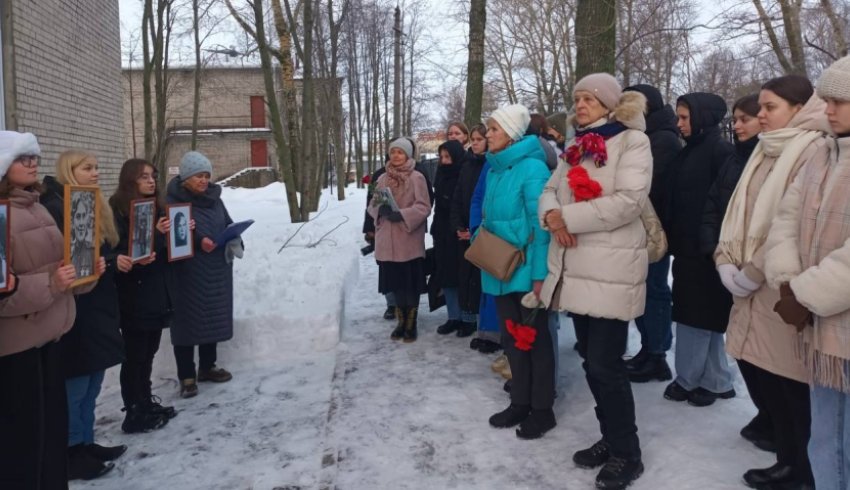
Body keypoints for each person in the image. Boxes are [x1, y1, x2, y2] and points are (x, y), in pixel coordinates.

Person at [539, 74, 650, 488]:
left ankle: (628, 453)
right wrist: (553, 217)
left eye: (589, 99)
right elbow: (551, 190)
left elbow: (629, 201)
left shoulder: (632, 142)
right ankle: (611, 437)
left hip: (611, 269)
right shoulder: (575, 146)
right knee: (592, 359)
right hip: (577, 267)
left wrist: (567, 217)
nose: (580, 105)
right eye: (577, 98)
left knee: (606, 365)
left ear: (609, 104)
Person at [716, 75, 827, 489]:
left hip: (781, 284)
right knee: (768, 379)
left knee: (791, 386)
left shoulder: (811, 149)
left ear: (799, 108)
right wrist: (725, 259)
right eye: (759, 107)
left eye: (769, 107)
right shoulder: (767, 148)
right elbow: (739, 210)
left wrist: (754, 270)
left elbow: (792, 223)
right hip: (747, 281)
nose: (760, 115)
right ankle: (788, 457)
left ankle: (801, 469)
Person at [764, 54, 850, 490]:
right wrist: (787, 280)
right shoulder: (822, 153)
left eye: (840, 101)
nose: (828, 109)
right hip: (819, 329)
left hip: (839, 323)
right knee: (825, 438)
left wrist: (804, 294)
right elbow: (785, 220)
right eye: (826, 100)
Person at [0, 131, 101, 489]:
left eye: (33, 157)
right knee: (23, 447)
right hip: (15, 351)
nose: (31, 163)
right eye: (21, 158)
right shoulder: (2, 216)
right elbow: (4, 291)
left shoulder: (39, 207)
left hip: (51, 340)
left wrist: (85, 274)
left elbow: (61, 269)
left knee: (51, 440)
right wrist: (53, 284)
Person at [41, 150, 128, 480]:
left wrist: (104, 263)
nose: (94, 173)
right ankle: (70, 450)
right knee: (75, 384)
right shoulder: (55, 206)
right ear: (69, 170)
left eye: (95, 168)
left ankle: (87, 442)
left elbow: (97, 250)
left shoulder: (89, 202)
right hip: (75, 308)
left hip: (98, 303)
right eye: (87, 168)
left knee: (92, 382)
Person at [700, 94, 772, 449]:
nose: (739, 125)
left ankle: (779, 422)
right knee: (742, 348)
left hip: (764, 272)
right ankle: (767, 413)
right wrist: (717, 251)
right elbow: (715, 206)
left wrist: (752, 266)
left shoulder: (777, 158)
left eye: (747, 119)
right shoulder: (735, 158)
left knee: (768, 354)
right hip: (730, 266)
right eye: (736, 119)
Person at [479, 104, 553, 440]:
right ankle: (520, 401)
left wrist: (540, 276)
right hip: (499, 266)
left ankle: (542, 409)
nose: (487, 134)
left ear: (511, 134)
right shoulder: (495, 169)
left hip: (525, 270)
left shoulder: (532, 168)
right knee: (511, 339)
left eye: (494, 129)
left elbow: (542, 228)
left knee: (533, 340)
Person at [664, 91, 737, 407]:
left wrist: (713, 245)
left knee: (701, 317)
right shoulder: (691, 150)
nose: (679, 124)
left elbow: (725, 204)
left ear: (703, 117)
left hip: (707, 250)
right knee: (695, 316)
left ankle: (694, 378)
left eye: (684, 117)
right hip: (687, 248)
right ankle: (714, 379)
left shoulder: (720, 152)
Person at [619, 84, 681, 383]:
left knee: (654, 291)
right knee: (644, 291)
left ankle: (656, 355)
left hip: (655, 231)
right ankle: (648, 349)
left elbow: (649, 186)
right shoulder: (650, 136)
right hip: (642, 228)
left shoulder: (662, 140)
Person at [110, 159, 177, 430]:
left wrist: (180, 233)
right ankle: (134, 410)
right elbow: (127, 248)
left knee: (149, 351)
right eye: (143, 177)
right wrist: (157, 236)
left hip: (156, 290)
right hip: (134, 293)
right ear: (130, 181)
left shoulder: (158, 207)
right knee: (135, 354)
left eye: (153, 176)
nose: (151, 181)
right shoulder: (118, 210)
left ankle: (146, 401)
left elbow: (161, 251)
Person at [167, 151, 236, 397]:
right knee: (187, 322)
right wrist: (198, 241)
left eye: (206, 175)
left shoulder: (215, 199)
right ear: (186, 177)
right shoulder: (173, 200)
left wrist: (234, 236)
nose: (204, 180)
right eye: (198, 175)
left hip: (216, 267)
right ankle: (187, 375)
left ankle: (208, 367)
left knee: (212, 317)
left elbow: (227, 222)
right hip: (187, 271)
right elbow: (174, 234)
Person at [368, 138, 431, 342]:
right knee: (395, 283)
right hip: (387, 239)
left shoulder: (417, 177)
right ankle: (400, 320)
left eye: (400, 152)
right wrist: (380, 209)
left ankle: (411, 323)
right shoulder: (382, 179)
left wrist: (403, 214)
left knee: (409, 284)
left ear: (408, 155)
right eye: (393, 152)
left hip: (407, 238)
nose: (395, 156)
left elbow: (424, 206)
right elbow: (372, 205)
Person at [452, 124, 496, 352]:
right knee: (469, 279)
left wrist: (476, 227)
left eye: (481, 138)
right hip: (469, 228)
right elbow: (461, 197)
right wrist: (461, 224)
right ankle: (480, 328)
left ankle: (491, 333)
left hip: (484, 231)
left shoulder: (492, 164)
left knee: (486, 284)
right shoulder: (467, 164)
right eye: (474, 138)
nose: (476, 142)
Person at [433, 140, 474, 337]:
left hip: (459, 230)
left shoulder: (463, 172)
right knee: (447, 275)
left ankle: (468, 317)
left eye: (448, 157)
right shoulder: (441, 173)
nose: (444, 161)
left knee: (463, 276)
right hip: (442, 230)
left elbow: (463, 201)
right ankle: (453, 316)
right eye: (441, 157)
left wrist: (460, 224)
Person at [70, 191, 95, 278]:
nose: (81, 223)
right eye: (78, 216)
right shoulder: (68, 254)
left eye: (84, 216)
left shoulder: (93, 251)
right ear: (72, 222)